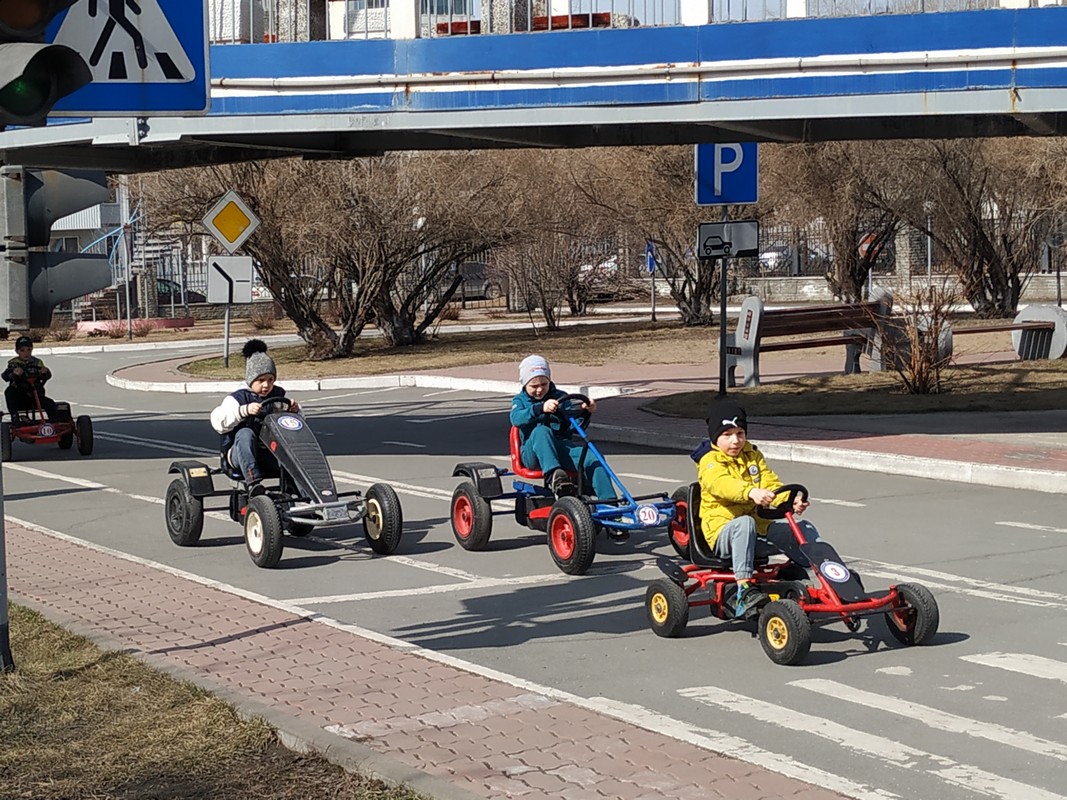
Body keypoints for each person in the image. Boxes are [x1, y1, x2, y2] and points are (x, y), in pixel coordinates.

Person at [695, 397, 820, 618]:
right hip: (723, 533)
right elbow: (721, 484)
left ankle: (830, 579)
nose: (735, 441)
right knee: (745, 523)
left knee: (803, 529)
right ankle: (743, 590)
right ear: (715, 437)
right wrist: (750, 492)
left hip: (758, 530)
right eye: (727, 435)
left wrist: (790, 501)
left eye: (740, 433)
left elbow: (770, 484)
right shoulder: (710, 462)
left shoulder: (752, 455)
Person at [509, 354, 615, 503]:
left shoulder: (561, 397)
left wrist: (586, 412)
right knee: (542, 431)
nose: (539, 390)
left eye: (543, 384)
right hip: (533, 452)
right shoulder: (520, 400)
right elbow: (516, 418)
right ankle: (555, 477)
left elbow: (572, 427)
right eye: (534, 386)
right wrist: (539, 408)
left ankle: (609, 503)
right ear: (525, 384)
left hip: (560, 446)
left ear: (549, 381)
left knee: (593, 457)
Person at [210, 339, 301, 495]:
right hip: (239, 455)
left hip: (270, 453)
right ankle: (253, 484)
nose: (266, 385)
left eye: (270, 380)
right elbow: (218, 421)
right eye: (260, 380)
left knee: (290, 440)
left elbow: (294, 424)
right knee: (245, 433)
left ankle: (303, 495)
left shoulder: (279, 396)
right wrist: (242, 411)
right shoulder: (238, 398)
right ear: (251, 379)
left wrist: (295, 410)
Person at [3, 335, 57, 421]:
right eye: (22, 350)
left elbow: (47, 376)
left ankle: (55, 423)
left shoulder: (37, 362)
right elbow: (5, 376)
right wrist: (14, 373)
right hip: (20, 396)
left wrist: (45, 372)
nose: (26, 353)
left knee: (50, 403)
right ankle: (15, 417)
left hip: (35, 394)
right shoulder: (13, 363)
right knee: (9, 391)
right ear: (17, 351)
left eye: (29, 350)